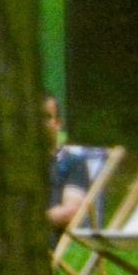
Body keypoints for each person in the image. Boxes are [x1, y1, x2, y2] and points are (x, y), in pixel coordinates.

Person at [44, 96, 88, 230]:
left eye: (46, 117)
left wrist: (30, 221)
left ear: (58, 123)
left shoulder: (72, 162)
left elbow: (71, 212)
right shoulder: (13, 164)